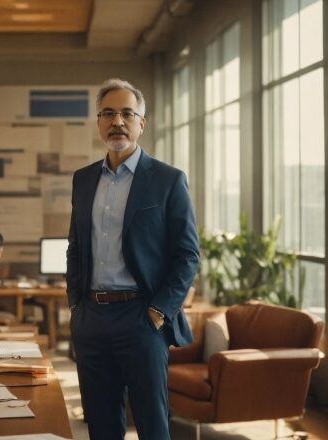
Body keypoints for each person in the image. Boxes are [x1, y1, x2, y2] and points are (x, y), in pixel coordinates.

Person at [66, 78, 200, 439]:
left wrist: (159, 312)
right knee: (102, 425)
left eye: (127, 113)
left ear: (142, 122)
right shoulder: (83, 180)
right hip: (92, 318)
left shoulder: (168, 180)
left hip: (141, 318)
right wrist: (76, 305)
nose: (117, 121)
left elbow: (187, 254)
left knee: (152, 425)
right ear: (98, 122)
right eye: (108, 113)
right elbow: (76, 247)